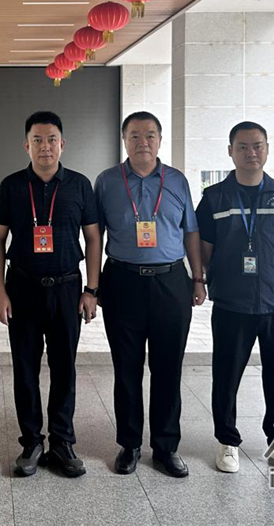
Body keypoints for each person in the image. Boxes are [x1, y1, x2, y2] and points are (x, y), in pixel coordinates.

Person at [194, 121, 274, 475]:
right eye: (243, 146)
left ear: (267, 149)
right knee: (226, 375)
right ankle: (227, 441)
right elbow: (204, 248)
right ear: (230, 151)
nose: (251, 153)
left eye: (257, 145)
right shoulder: (214, 197)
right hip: (233, 301)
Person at [0, 110, 101, 478]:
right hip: (22, 287)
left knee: (64, 368)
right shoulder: (11, 186)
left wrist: (91, 290)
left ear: (62, 144)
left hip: (67, 288)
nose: (45, 146)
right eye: (37, 140)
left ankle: (62, 441)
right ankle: (31, 442)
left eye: (51, 139)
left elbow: (93, 238)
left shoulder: (80, 185)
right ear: (26, 145)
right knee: (25, 369)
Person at [93, 111, 203, 478]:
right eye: (135, 135)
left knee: (168, 368)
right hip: (122, 281)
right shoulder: (107, 181)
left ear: (160, 140)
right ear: (124, 140)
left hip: (171, 281)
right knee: (126, 368)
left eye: (150, 135)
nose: (143, 142)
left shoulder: (177, 180)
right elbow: (95, 236)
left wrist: (198, 278)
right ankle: (129, 444)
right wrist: (93, 285)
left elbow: (190, 232)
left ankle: (166, 447)